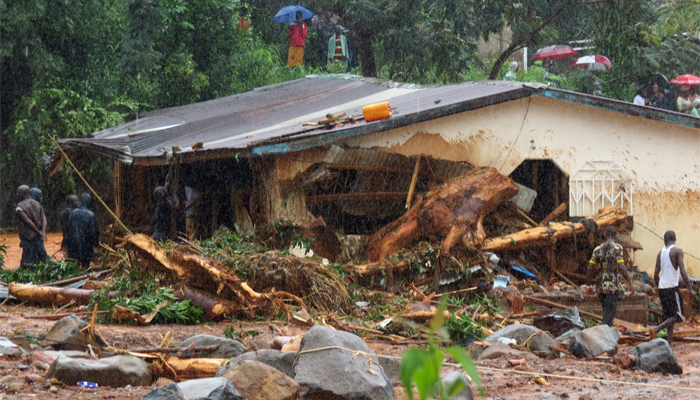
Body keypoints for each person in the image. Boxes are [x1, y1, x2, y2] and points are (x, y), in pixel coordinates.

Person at [649, 231, 696, 345]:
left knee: (669, 316)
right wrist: (690, 288)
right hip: (672, 287)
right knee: (679, 315)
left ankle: (669, 341)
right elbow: (683, 271)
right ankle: (656, 329)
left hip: (662, 287)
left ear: (664, 239)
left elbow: (656, 274)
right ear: (675, 239)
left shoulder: (660, 253)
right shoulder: (677, 251)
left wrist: (659, 286)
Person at [586, 226, 635, 327]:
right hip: (612, 287)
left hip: (600, 287)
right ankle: (606, 336)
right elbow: (621, 266)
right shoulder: (617, 248)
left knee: (606, 313)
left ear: (605, 235)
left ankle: (606, 333)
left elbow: (590, 267)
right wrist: (630, 282)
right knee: (608, 317)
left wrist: (588, 285)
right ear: (615, 236)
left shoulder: (597, 249)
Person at [15, 185, 48, 269]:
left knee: (28, 263)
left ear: (25, 193)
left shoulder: (20, 207)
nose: (17, 194)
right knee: (41, 259)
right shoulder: (37, 204)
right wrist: (42, 233)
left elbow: (28, 222)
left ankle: (29, 280)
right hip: (38, 239)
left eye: (19, 193)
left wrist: (38, 232)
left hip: (28, 239)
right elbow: (44, 219)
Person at [65, 193, 100, 268]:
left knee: (74, 266)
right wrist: (96, 243)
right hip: (86, 246)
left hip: (73, 245)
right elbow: (94, 231)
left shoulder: (73, 213)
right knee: (85, 266)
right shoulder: (90, 215)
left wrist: (67, 242)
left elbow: (68, 229)